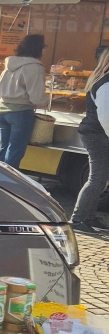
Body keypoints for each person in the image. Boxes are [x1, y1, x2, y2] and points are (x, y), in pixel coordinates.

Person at [0, 33, 48, 169]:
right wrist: (47, 101)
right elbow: (37, 97)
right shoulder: (35, 67)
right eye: (44, 47)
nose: (44, 50)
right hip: (21, 113)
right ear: (38, 48)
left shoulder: (9, 64)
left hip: (2, 110)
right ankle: (8, 180)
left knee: (4, 148)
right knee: (15, 152)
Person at [71, 48, 109, 233]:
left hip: (96, 133)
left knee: (100, 179)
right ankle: (78, 220)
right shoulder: (106, 83)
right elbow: (106, 116)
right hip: (97, 134)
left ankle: (89, 217)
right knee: (97, 179)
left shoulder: (102, 80)